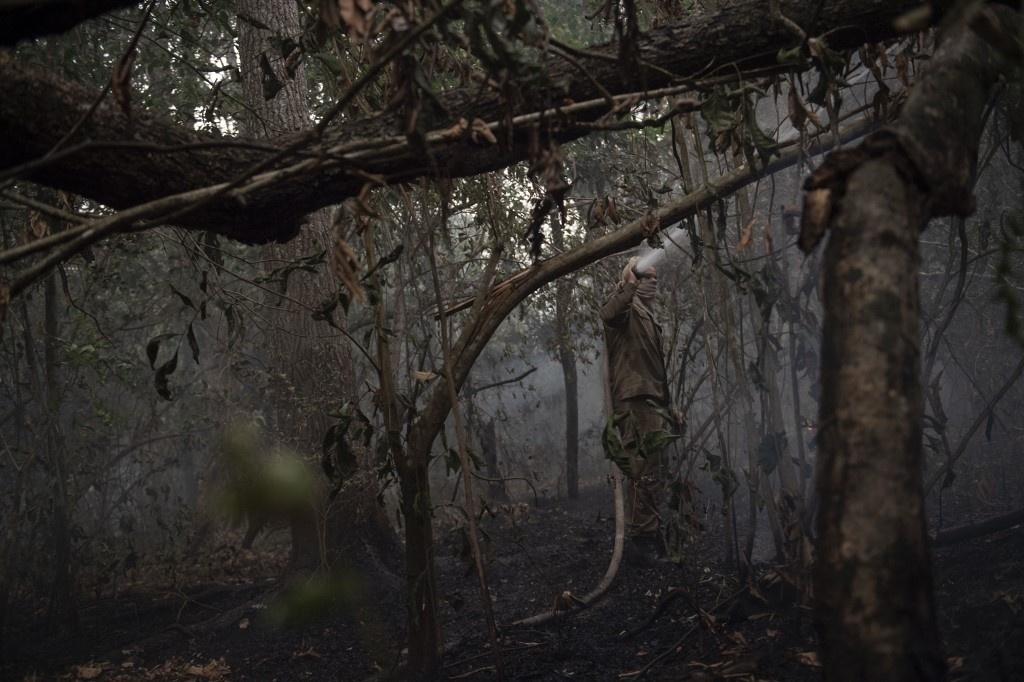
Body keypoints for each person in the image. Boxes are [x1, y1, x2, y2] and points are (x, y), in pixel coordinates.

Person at [601, 256, 673, 563]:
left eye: (656, 278)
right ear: (632, 279)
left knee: (653, 470)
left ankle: (650, 531)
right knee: (643, 471)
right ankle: (643, 540)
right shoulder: (626, 309)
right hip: (634, 401)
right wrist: (628, 283)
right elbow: (609, 313)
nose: (654, 282)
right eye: (647, 277)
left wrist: (670, 406)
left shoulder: (647, 315)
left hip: (650, 400)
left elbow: (654, 366)